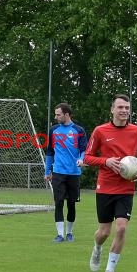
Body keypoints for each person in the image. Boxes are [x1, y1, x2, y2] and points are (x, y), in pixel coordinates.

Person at [84, 94, 137, 272]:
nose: (124, 111)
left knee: (121, 228)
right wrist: (106, 161)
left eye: (127, 108)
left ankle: (110, 270)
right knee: (104, 232)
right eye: (120, 107)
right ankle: (97, 248)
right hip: (105, 186)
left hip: (126, 188)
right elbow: (87, 157)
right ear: (112, 109)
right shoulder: (100, 131)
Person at [44, 103, 87, 243]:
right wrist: (47, 171)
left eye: (58, 114)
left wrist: (81, 160)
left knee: (71, 204)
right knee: (59, 202)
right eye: (55, 114)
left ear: (67, 114)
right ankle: (60, 235)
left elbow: (83, 150)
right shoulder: (54, 130)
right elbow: (50, 152)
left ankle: (69, 233)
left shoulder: (79, 130)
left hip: (74, 173)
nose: (56, 117)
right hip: (58, 172)